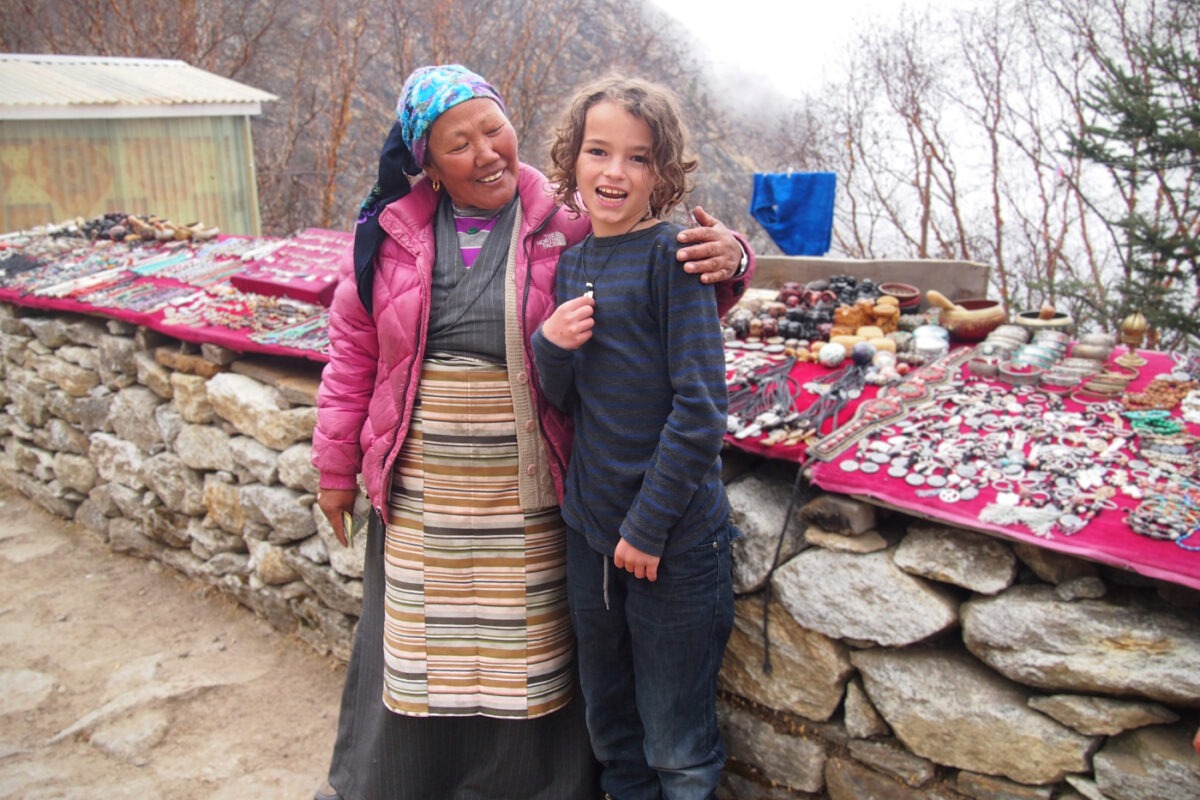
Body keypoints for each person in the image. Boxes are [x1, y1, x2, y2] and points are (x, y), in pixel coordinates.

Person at [310, 64, 753, 800]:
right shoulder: (388, 237)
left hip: (532, 485)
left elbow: (652, 249)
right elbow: (352, 354)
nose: (486, 153)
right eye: (460, 143)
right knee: (431, 651)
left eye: (494, 129)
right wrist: (334, 468)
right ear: (427, 163)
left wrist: (735, 255)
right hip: (426, 485)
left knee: (528, 655)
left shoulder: (565, 225)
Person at [532, 75, 738, 800]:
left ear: (664, 172)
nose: (614, 173)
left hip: (673, 543)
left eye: (639, 158)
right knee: (613, 730)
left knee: (678, 745)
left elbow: (701, 410)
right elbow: (564, 401)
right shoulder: (571, 264)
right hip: (592, 539)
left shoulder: (674, 260)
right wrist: (550, 347)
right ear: (573, 160)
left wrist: (647, 528)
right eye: (598, 152)